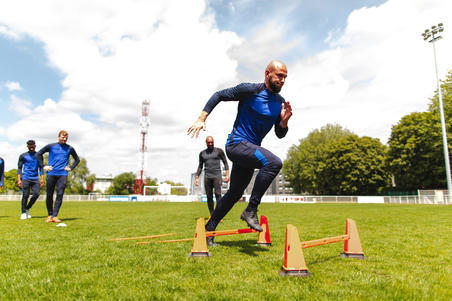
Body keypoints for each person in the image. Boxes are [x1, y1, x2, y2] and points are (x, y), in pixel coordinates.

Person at [188, 60, 293, 246]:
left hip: (249, 152)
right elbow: (219, 95)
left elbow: (279, 133)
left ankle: (208, 231)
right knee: (274, 163)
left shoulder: (280, 103)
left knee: (234, 194)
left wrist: (284, 122)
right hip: (237, 144)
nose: (282, 80)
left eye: (285, 77)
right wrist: (200, 118)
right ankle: (251, 210)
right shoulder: (250, 90)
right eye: (279, 75)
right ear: (267, 73)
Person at [37, 130, 80, 223]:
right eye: (62, 137)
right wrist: (43, 166)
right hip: (51, 174)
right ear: (58, 137)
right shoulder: (51, 146)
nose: (64, 139)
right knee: (49, 195)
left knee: (59, 195)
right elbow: (38, 154)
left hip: (62, 174)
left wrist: (71, 168)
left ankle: (55, 216)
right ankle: (49, 215)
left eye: (66, 138)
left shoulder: (70, 148)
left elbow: (77, 159)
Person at [195, 136, 230, 216]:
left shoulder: (219, 151)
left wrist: (227, 175)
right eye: (209, 143)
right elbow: (200, 166)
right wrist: (197, 177)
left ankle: (218, 215)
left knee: (218, 194)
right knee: (209, 196)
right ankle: (212, 215)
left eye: (212, 142)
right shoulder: (202, 153)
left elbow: (225, 162)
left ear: (213, 142)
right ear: (206, 143)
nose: (210, 144)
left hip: (217, 176)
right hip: (207, 177)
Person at [17, 140, 44, 219]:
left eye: (32, 145)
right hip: (26, 177)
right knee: (25, 195)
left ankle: (27, 208)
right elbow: (19, 168)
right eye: (29, 145)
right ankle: (23, 213)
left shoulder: (39, 155)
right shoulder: (23, 156)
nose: (31, 147)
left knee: (36, 194)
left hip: (35, 178)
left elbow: (41, 167)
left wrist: (42, 178)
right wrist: (19, 179)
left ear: (35, 146)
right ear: (27, 146)